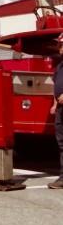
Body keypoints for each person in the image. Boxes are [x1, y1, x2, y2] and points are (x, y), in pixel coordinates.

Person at [49, 33, 63, 189]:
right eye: (59, 45)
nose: (59, 48)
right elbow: (56, 86)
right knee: (62, 144)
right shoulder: (59, 66)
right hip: (60, 110)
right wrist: (54, 104)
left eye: (61, 45)